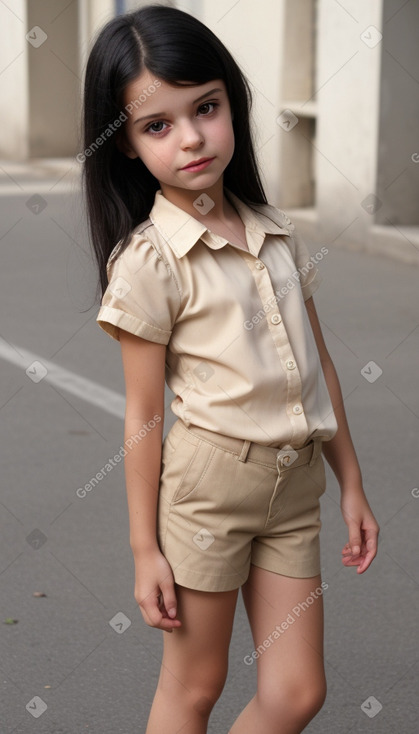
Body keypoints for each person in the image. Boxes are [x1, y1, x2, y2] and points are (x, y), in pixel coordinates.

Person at [80, 5, 379, 733]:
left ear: (230, 104)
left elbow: (317, 363)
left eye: (205, 108)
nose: (190, 138)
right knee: (195, 686)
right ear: (125, 146)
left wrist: (351, 482)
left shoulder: (274, 232)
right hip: (207, 495)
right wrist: (144, 548)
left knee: (296, 691)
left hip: (293, 488)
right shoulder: (149, 261)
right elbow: (144, 414)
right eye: (157, 125)